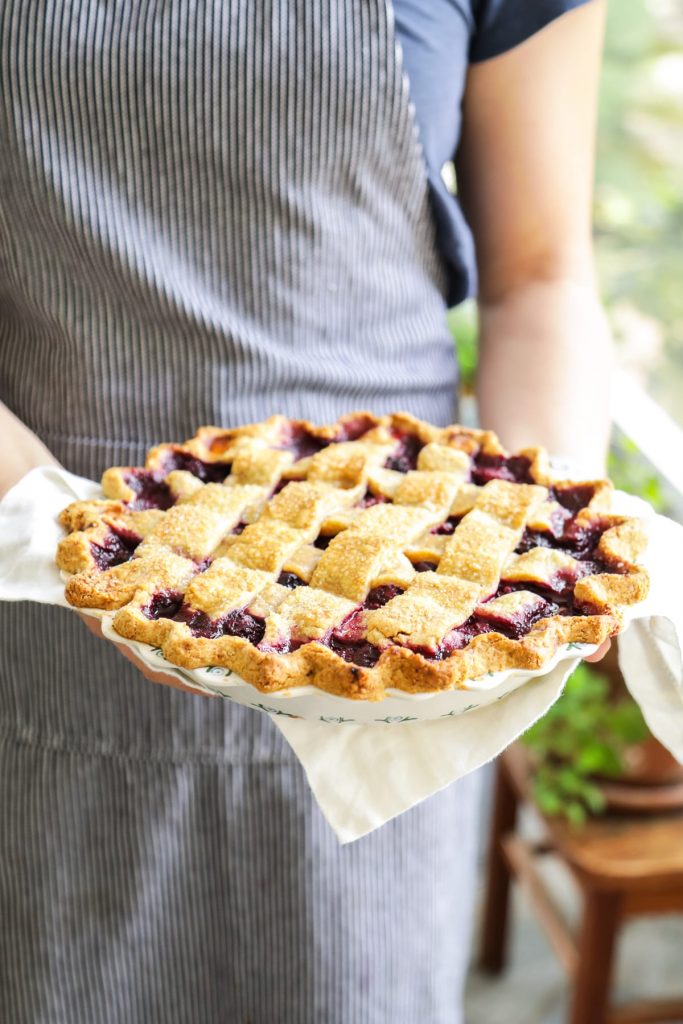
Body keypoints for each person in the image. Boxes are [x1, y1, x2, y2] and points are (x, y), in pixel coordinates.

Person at [0, 1, 612, 1020]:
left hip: (402, 636)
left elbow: (538, 280)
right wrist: (52, 526)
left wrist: (526, 555)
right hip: (38, 581)